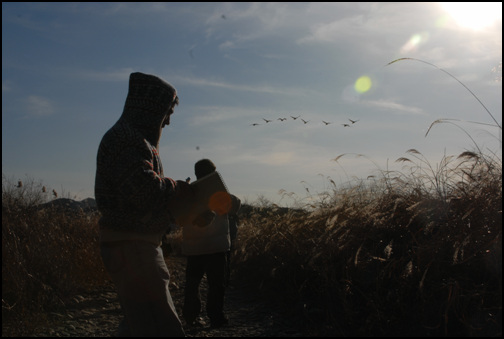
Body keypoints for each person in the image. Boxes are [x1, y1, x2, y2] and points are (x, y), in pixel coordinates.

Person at [95, 72, 193, 337]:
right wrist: (178, 189)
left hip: (134, 245)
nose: (168, 121)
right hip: (133, 248)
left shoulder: (131, 139)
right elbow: (142, 191)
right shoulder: (127, 141)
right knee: (161, 328)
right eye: (167, 112)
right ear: (150, 109)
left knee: (138, 325)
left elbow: (139, 196)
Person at [181, 159, 241, 329]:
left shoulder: (187, 192)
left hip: (194, 249)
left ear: (196, 173)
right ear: (213, 172)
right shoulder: (218, 192)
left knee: (192, 284)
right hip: (217, 247)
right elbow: (235, 206)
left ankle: (190, 317)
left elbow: (179, 216)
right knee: (216, 284)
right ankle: (216, 317)